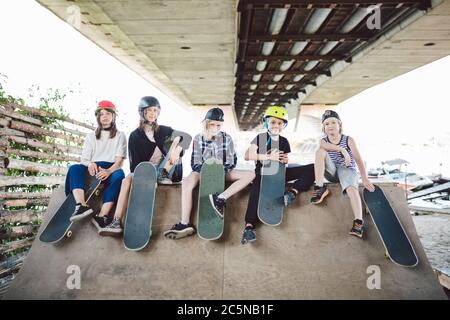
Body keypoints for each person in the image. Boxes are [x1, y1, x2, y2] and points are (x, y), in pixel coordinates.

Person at [93, 96, 185, 236]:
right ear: (142, 112)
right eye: (149, 110)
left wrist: (177, 149)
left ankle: (160, 176)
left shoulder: (166, 130)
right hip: (147, 171)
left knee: (176, 145)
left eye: (155, 110)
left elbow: (184, 139)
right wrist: (146, 173)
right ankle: (116, 221)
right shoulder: (135, 136)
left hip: (169, 170)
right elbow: (134, 166)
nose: (153, 113)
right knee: (126, 180)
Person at [164, 107, 255, 239]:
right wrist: (208, 173)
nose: (216, 127)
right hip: (202, 173)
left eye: (219, 125)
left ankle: (221, 197)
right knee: (188, 181)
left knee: (251, 174)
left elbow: (231, 161)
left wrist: (217, 172)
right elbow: (195, 163)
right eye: (213, 124)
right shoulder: (198, 138)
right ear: (206, 123)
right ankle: (185, 223)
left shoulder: (226, 138)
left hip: (222, 172)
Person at [241, 105, 315, 244]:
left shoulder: (284, 141)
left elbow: (285, 160)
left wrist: (285, 160)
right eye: (273, 122)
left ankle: (293, 192)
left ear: (283, 126)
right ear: (266, 123)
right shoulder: (261, 138)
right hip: (263, 175)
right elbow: (247, 155)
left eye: (280, 123)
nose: (276, 125)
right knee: (255, 192)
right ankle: (248, 227)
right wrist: (268, 157)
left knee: (314, 168)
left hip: (279, 176)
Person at [311, 109, 375, 238]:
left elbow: (358, 160)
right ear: (324, 128)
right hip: (332, 172)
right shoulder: (323, 141)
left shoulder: (348, 140)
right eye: (327, 124)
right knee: (320, 152)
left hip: (347, 170)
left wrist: (365, 179)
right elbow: (324, 148)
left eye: (334, 122)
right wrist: (342, 150)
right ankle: (319, 187)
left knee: (352, 189)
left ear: (340, 125)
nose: (330, 126)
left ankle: (358, 222)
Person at [65, 100, 126, 224]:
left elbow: (119, 162)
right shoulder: (91, 136)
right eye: (101, 114)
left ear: (113, 116)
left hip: (110, 168)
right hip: (92, 168)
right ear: (98, 117)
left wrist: (109, 171)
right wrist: (90, 164)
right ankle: (81, 206)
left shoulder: (120, 135)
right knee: (74, 168)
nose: (105, 116)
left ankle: (102, 215)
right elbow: (84, 159)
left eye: (108, 113)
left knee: (119, 174)